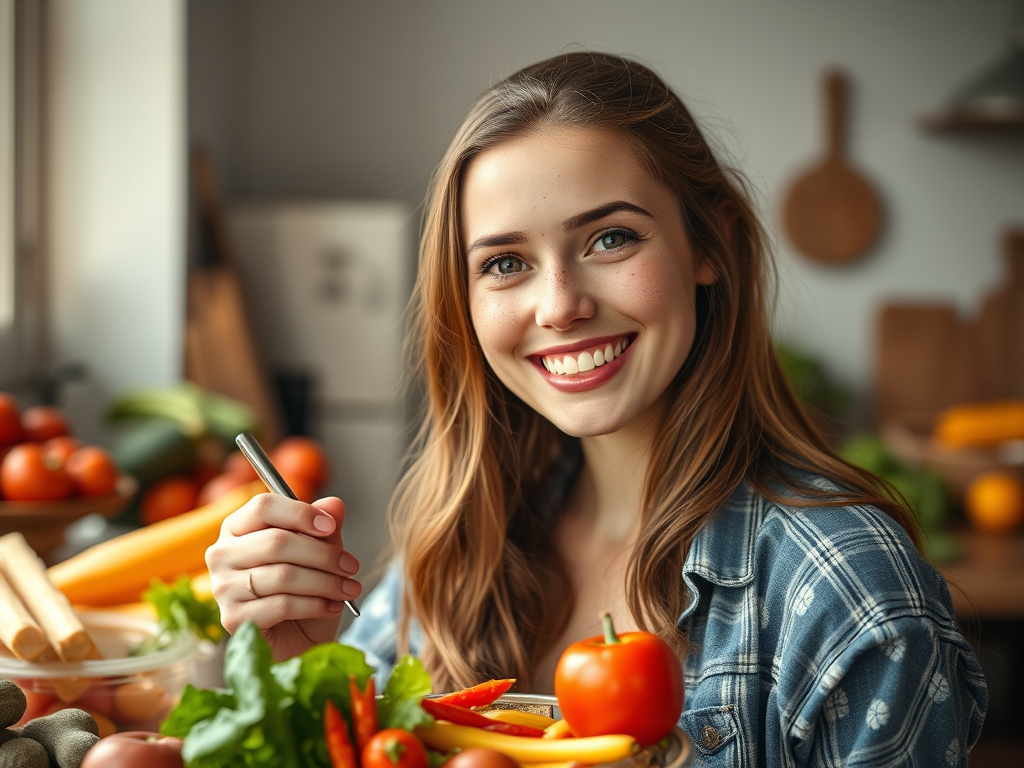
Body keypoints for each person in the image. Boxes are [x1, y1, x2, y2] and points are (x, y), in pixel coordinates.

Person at [206, 51, 987, 766]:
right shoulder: (459, 543)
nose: (559, 307)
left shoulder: (853, 592)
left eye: (611, 239)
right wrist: (290, 666)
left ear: (711, 244)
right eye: (506, 263)